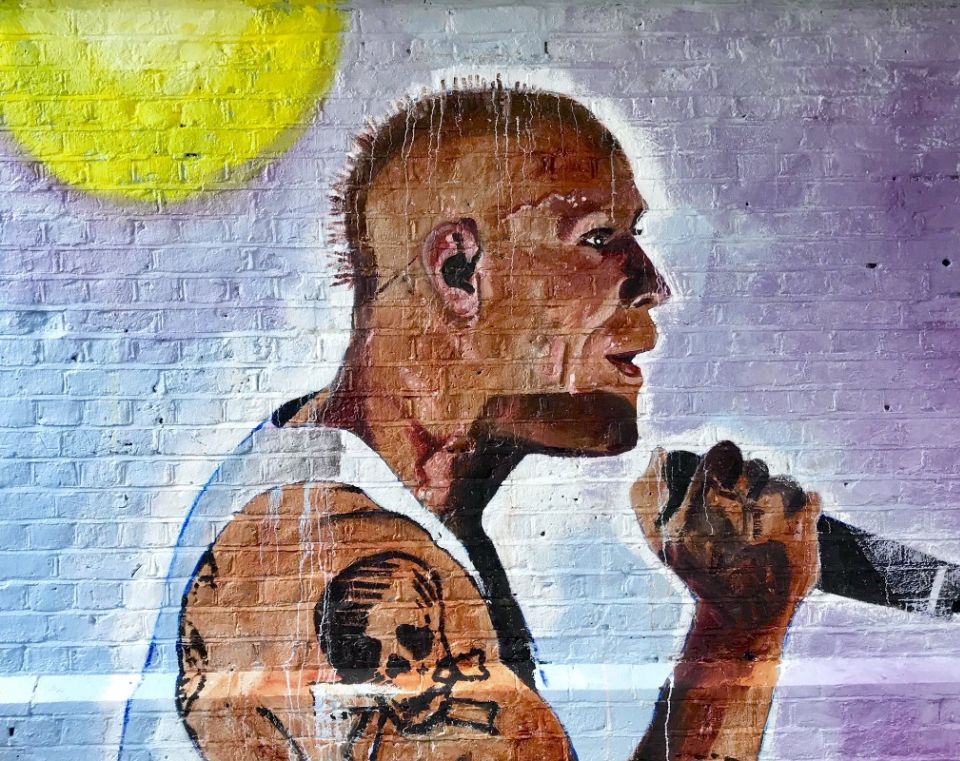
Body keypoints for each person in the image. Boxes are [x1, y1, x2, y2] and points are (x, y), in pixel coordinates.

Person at [120, 80, 820, 761]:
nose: (652, 284)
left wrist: (732, 625)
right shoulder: (360, 561)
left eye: (632, 236)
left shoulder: (357, 491)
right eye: (598, 237)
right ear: (459, 270)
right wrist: (739, 639)